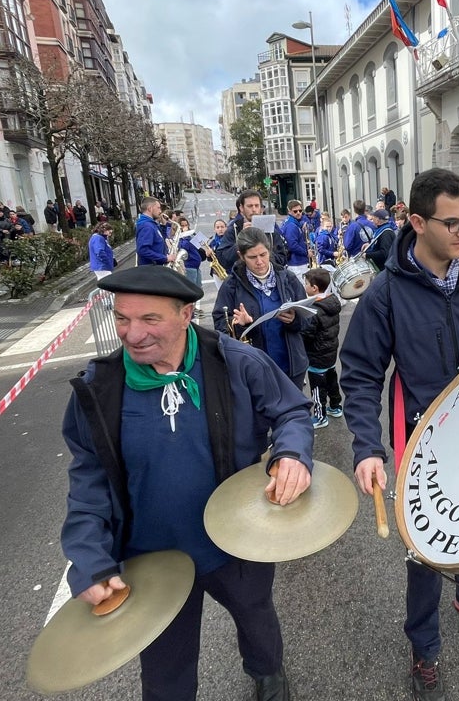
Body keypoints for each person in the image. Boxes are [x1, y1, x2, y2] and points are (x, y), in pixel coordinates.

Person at [60, 266, 313, 701]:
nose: (132, 334)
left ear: (185, 314)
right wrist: (88, 558)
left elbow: (290, 412)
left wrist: (292, 454)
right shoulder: (99, 388)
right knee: (164, 673)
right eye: (122, 318)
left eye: (149, 319)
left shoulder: (236, 362)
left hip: (235, 545)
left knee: (257, 619)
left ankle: (268, 675)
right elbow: (89, 479)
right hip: (149, 561)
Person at [340, 168, 459, 701]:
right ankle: (424, 648)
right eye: (453, 223)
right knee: (426, 550)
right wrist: (367, 447)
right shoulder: (384, 295)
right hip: (424, 439)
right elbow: (359, 374)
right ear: (417, 222)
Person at [214, 228, 309, 387]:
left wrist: (294, 320)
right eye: (252, 257)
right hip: (254, 370)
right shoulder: (231, 286)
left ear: (269, 251)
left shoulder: (288, 278)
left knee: (295, 411)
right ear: (241, 256)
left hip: (292, 367)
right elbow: (220, 325)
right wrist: (239, 325)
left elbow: (308, 320)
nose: (259, 261)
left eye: (263, 255)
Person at [300, 267, 342, 429]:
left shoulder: (314, 311)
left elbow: (307, 334)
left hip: (317, 356)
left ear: (314, 288)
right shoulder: (332, 302)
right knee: (332, 380)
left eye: (306, 284)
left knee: (318, 388)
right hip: (330, 353)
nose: (305, 286)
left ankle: (320, 416)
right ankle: (335, 406)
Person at [135, 197, 174, 267]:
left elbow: (160, 239)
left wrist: (163, 226)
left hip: (155, 268)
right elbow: (143, 250)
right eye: (158, 208)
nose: (160, 211)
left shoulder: (151, 224)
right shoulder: (147, 226)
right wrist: (165, 258)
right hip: (152, 270)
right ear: (150, 209)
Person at [279, 199, 310, 283]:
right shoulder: (291, 226)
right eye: (295, 211)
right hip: (297, 263)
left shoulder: (291, 223)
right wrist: (307, 253)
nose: (298, 213)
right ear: (289, 211)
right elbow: (292, 245)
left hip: (296, 263)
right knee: (302, 291)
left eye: (300, 211)